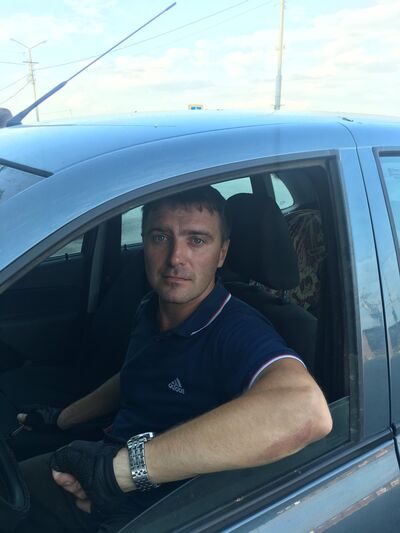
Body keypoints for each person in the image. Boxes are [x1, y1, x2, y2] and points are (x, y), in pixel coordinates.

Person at [12, 186, 332, 533]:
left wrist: (117, 473)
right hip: (104, 467)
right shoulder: (151, 307)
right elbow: (136, 374)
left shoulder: (236, 331)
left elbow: (306, 411)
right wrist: (62, 419)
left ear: (222, 253)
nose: (176, 257)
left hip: (162, 512)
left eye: (197, 240)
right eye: (160, 237)